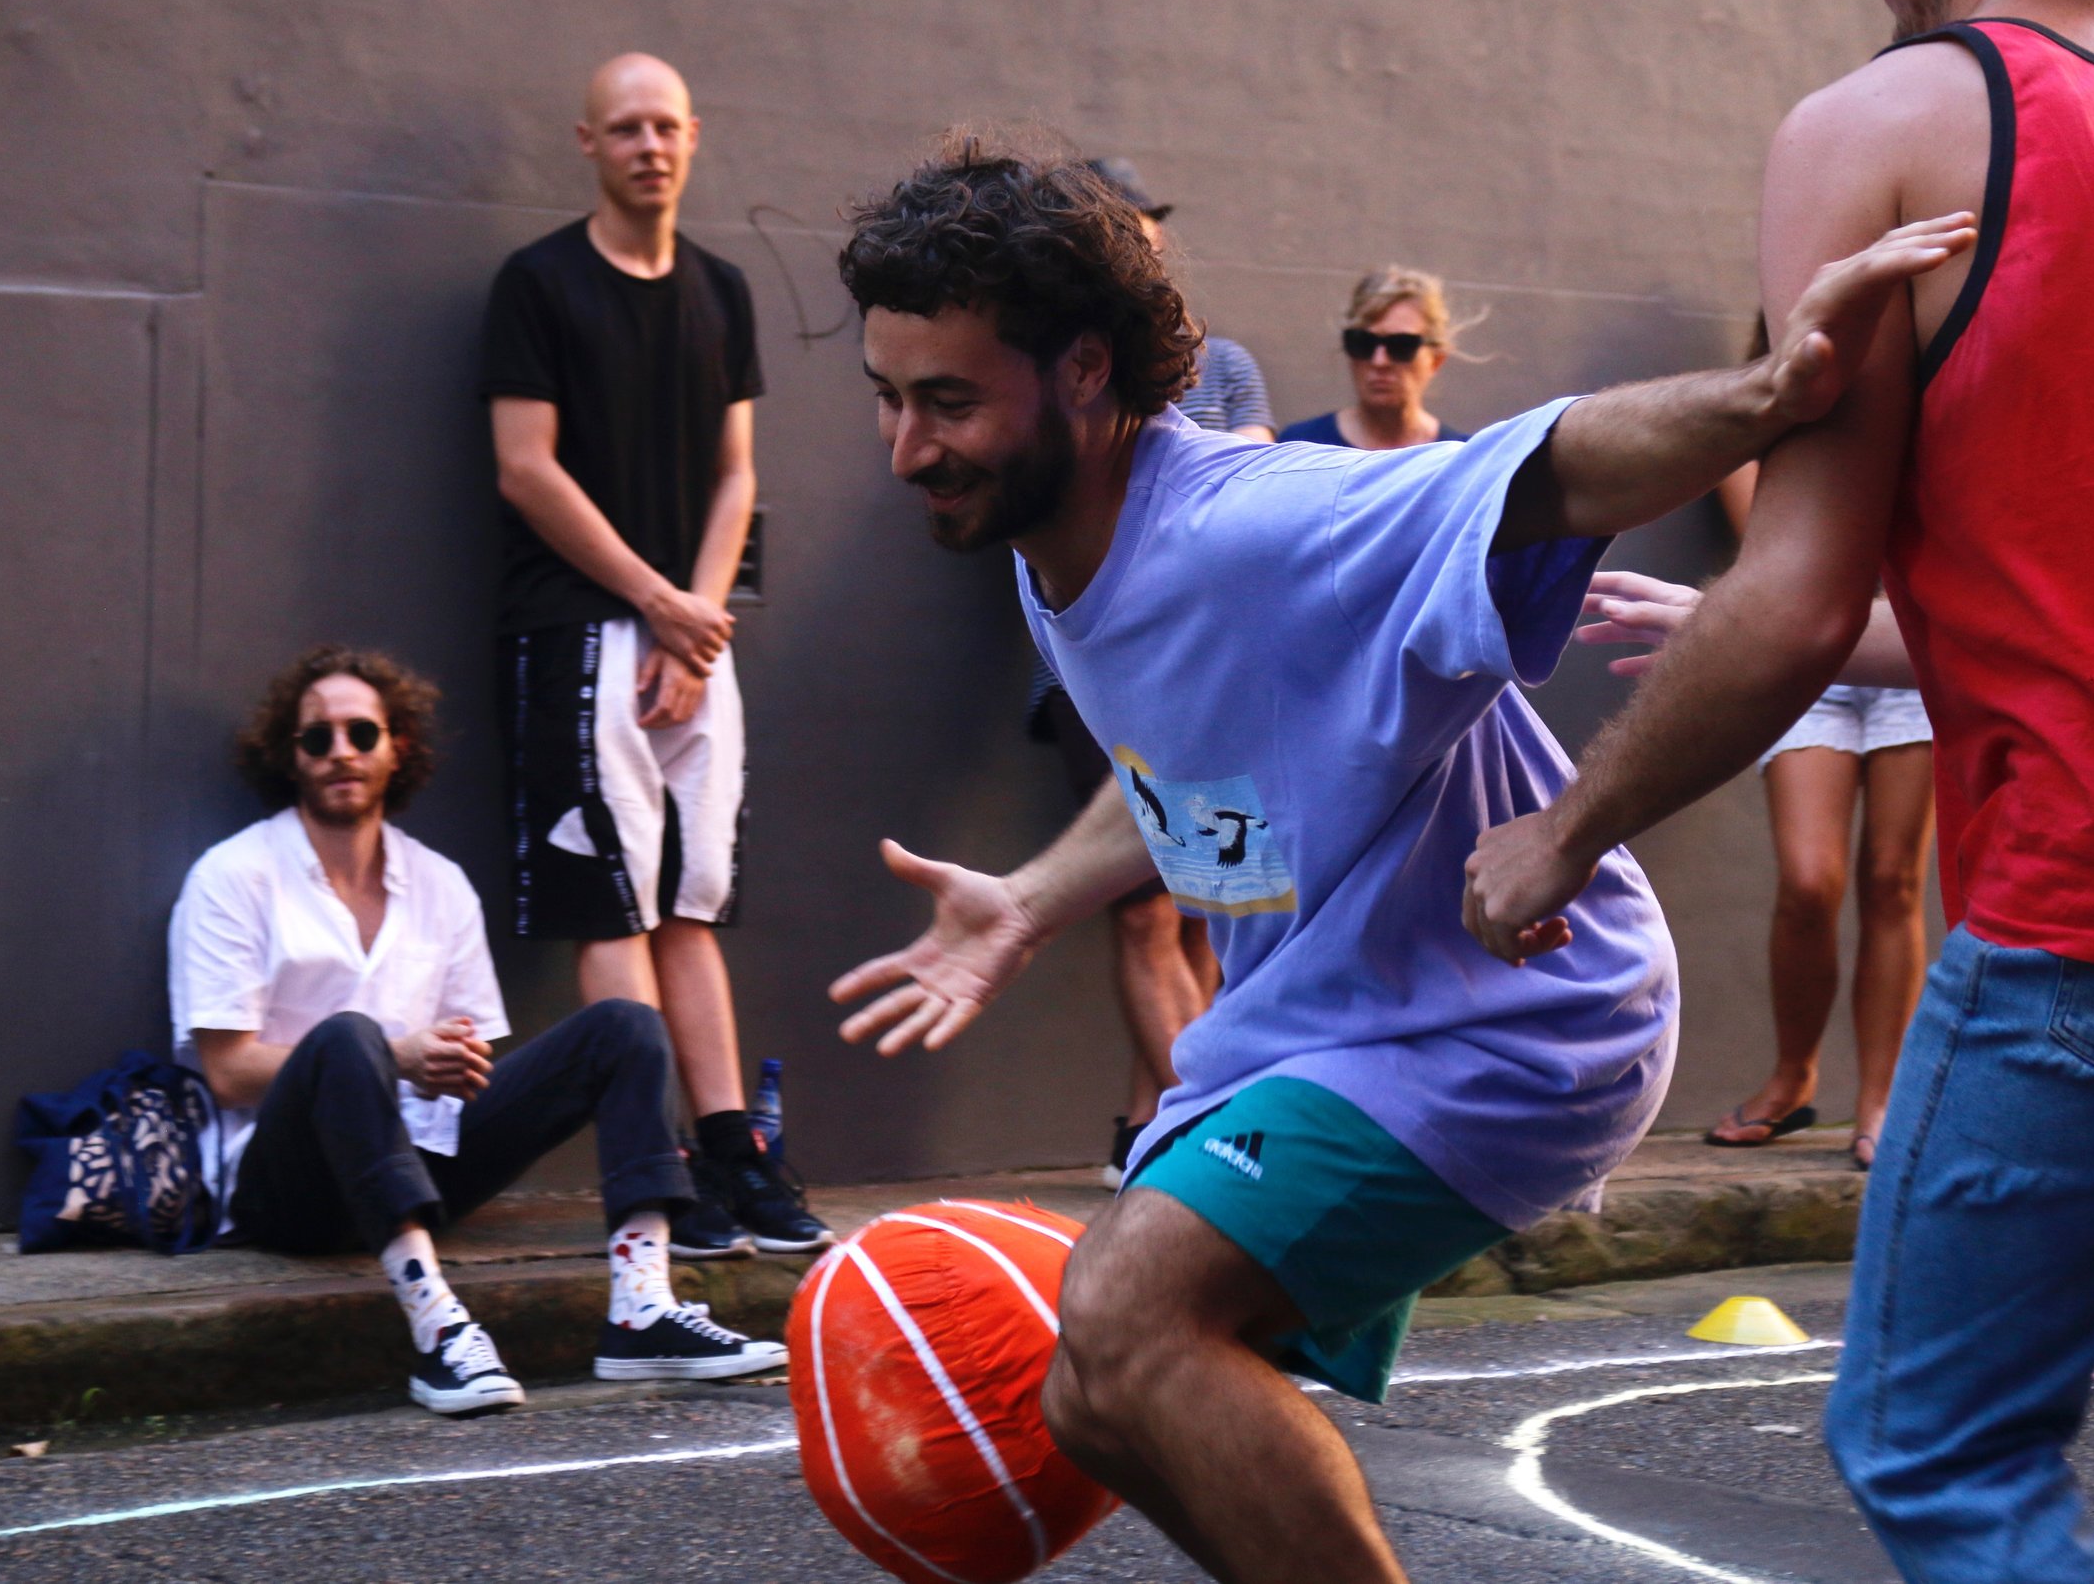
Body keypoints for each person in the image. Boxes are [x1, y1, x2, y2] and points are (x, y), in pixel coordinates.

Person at [829, 138, 1968, 1583]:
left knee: (1125, 1317)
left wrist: (1763, 398)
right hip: (1323, 1023)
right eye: (888, 396)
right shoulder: (1049, 540)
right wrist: (1035, 898)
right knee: (1096, 1395)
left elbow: (1545, 467)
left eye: (947, 402)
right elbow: (1195, 756)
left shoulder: (1257, 519)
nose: (907, 447)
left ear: (1088, 372)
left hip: (1503, 1011)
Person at [1462, 0, 2094, 1576]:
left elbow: (1794, 598)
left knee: (1935, 1450)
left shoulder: (1877, 130)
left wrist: (1563, 828)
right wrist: (1717, 634)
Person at [168, 646, 785, 1414]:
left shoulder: (440, 884)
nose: (340, 753)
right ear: (287, 756)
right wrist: (395, 1057)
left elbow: (477, 1052)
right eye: (315, 738)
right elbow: (227, 1070)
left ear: (399, 748)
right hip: (289, 1189)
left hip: (423, 1166)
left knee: (626, 1025)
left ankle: (641, 1305)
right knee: (348, 1036)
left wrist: (455, 1064)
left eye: (362, 733)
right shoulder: (233, 876)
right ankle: (438, 1332)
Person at [482, 52, 829, 1257]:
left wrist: (695, 615)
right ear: (587, 141)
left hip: (688, 628)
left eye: (666, 126)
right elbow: (525, 467)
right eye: (625, 128)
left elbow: (738, 474)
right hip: (576, 628)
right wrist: (652, 602)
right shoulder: (535, 284)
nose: (649, 146)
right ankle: (652, 1168)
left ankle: (734, 1151)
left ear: (696, 133)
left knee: (693, 903)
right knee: (609, 905)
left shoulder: (723, 291)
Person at [1034, 155, 1265, 1182]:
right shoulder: (1042, 365)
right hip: (1104, 679)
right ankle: (1201, 1128)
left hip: (1217, 671)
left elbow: (1241, 495)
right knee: (1141, 905)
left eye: (1147, 230)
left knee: (1222, 901)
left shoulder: (1226, 365)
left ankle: (1174, 1117)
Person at [1696, 327, 1935, 1169]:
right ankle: (1795, 1077)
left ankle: (1881, 1096)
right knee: (1809, 880)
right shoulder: (1762, 410)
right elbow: (1782, 558)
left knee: (1893, 878)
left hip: (1909, 646)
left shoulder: (1927, 390)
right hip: (1808, 662)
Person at [1278, 268, 1472, 449]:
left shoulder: (1462, 460)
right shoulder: (1301, 446)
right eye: (1363, 343)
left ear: (1436, 360)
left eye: (1402, 345)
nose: (1380, 361)